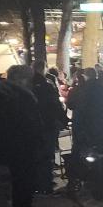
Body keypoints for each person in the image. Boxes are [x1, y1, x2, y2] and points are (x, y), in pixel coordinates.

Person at [0, 65, 46, 207]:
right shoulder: (19, 96)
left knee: (19, 177)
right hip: (23, 144)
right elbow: (27, 121)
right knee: (25, 177)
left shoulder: (4, 94)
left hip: (13, 143)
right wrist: (36, 137)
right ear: (22, 79)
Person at [31, 60, 68, 195]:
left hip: (34, 124)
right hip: (47, 123)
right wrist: (63, 119)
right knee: (47, 154)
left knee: (38, 154)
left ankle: (39, 182)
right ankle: (46, 184)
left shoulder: (29, 84)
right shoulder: (46, 84)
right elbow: (54, 104)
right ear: (43, 68)